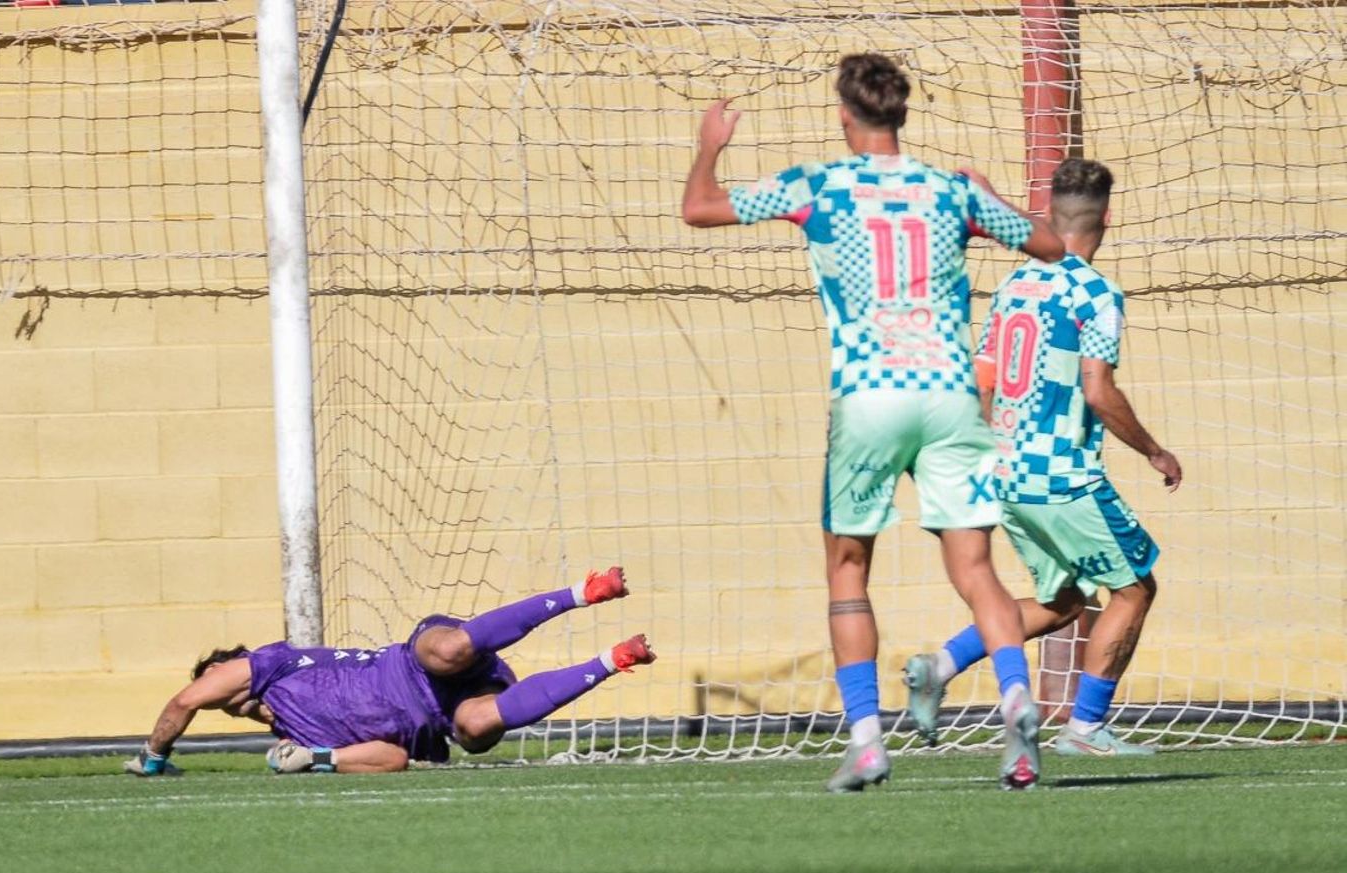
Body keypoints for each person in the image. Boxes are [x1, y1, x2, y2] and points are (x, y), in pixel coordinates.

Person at [681, 52, 1065, 790]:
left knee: (848, 567)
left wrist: (711, 147)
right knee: (978, 570)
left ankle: (865, 739)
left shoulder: (815, 185)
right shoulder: (951, 191)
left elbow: (700, 209)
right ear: (904, 114)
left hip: (870, 397)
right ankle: (1015, 696)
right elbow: (1047, 245)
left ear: (843, 114)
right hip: (951, 393)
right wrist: (991, 201)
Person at [904, 158, 1182, 757]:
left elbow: (982, 381)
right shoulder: (1098, 293)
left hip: (1003, 472)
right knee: (1134, 590)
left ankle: (939, 666)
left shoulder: (1013, 287)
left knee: (1064, 603)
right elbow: (1098, 390)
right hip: (1063, 478)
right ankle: (1084, 729)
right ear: (1108, 218)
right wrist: (1155, 451)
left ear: (1050, 215)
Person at [124, 567, 654, 775]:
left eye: (213, 677)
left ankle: (581, 593)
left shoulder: (268, 662)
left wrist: (153, 759)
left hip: (415, 658)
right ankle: (613, 660)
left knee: (447, 651)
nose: (214, 691)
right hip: (442, 716)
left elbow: (183, 702)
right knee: (476, 728)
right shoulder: (293, 734)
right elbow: (394, 758)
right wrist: (317, 758)